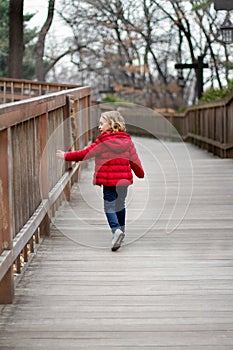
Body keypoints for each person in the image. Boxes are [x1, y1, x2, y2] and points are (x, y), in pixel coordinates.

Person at [56, 110, 144, 251]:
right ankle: (121, 230)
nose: (99, 127)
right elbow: (135, 161)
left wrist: (66, 155)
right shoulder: (127, 141)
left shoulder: (103, 142)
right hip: (123, 182)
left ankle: (116, 231)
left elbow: (84, 154)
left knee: (109, 206)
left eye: (102, 123)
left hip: (109, 182)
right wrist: (140, 174)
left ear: (111, 124)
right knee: (120, 205)